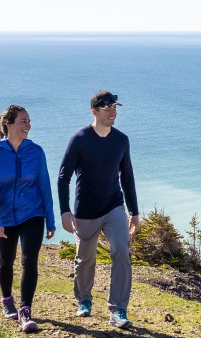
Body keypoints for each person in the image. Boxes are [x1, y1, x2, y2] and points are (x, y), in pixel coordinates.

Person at [58, 90, 139, 329]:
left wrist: (134, 212)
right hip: (86, 210)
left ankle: (118, 309)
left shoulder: (121, 140)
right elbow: (64, 177)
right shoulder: (80, 139)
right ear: (94, 111)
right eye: (107, 109)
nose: (113, 112)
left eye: (115, 108)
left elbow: (128, 177)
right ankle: (84, 300)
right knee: (85, 259)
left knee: (121, 252)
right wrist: (64, 210)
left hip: (114, 206)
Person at [0, 104, 56, 333]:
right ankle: (7, 300)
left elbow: (45, 185)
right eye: (23, 121)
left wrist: (50, 219)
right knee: (6, 260)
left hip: (33, 212)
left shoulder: (36, 152)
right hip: (4, 216)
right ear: (9, 124)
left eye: (29, 121)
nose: (28, 125)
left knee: (29, 260)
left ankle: (25, 311)